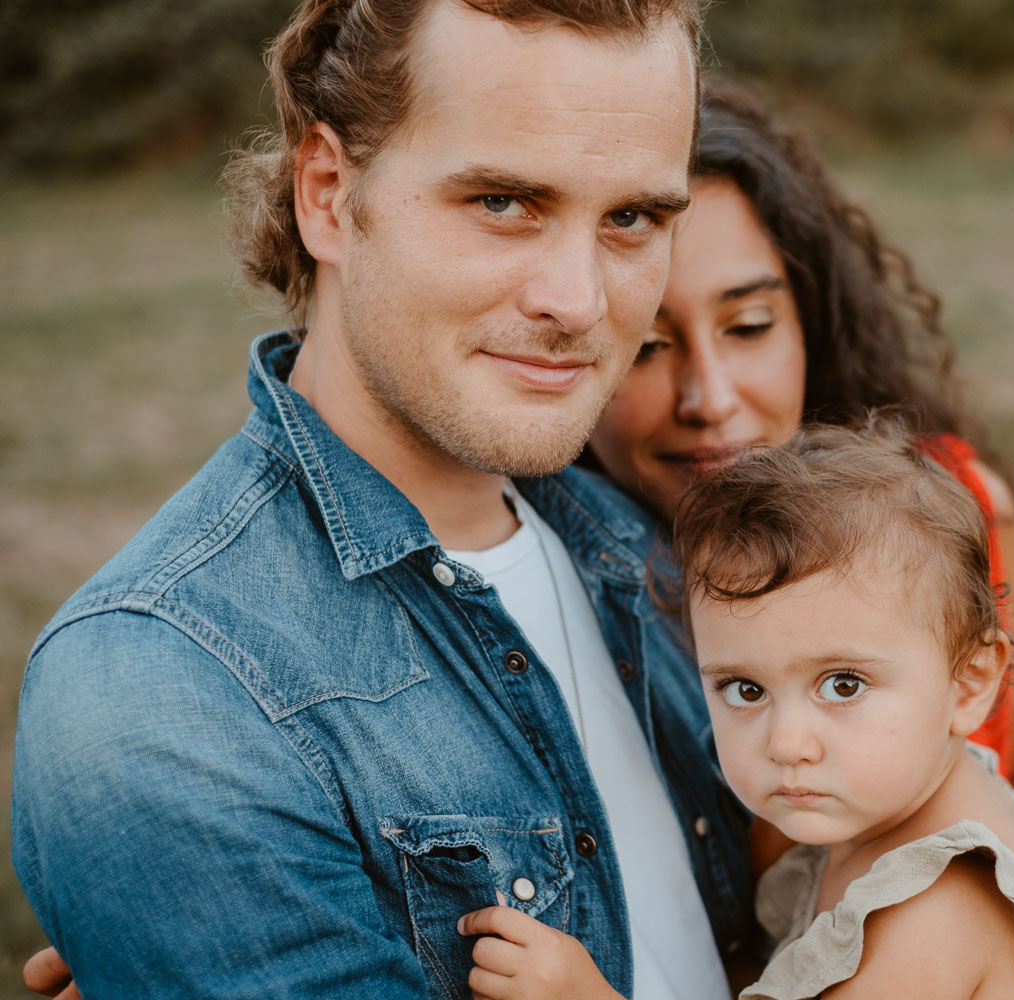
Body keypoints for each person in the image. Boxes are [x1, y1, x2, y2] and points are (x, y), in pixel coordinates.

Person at [12, 1, 757, 998]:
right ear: (327, 194)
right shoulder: (165, 693)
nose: (579, 301)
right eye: (503, 202)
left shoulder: (634, 536)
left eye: (631, 219)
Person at [454, 419, 1014, 1000]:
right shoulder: (888, 818)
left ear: (970, 683)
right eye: (745, 689)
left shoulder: (930, 913)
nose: (787, 742)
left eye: (843, 685)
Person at [586, 82, 1014, 840]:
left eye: (750, 325)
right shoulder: (542, 576)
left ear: (810, 323)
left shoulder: (953, 509)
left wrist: (954, 882)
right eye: (648, 347)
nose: (712, 398)